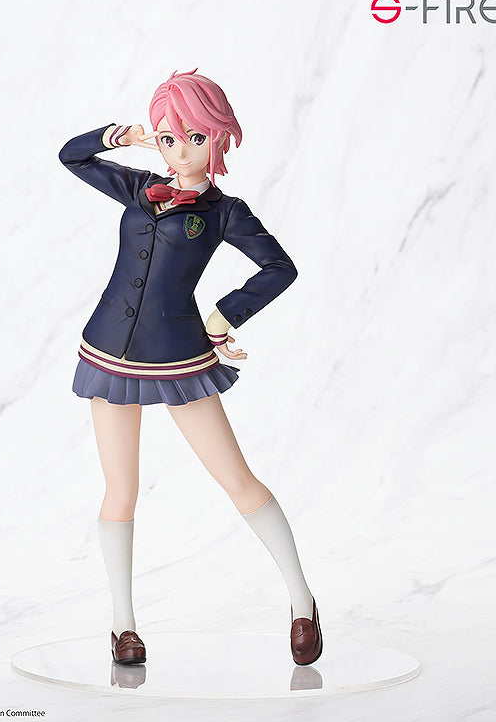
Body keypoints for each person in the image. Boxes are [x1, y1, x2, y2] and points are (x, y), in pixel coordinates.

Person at [58, 69, 322, 666]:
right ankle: (123, 626)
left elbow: (279, 268)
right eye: (169, 138)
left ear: (217, 137)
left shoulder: (225, 212)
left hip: (180, 355)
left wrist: (225, 315)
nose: (180, 150)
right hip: (109, 350)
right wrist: (122, 136)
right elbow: (72, 156)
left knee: (237, 479)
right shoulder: (138, 188)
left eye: (194, 137)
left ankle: (302, 601)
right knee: (120, 490)